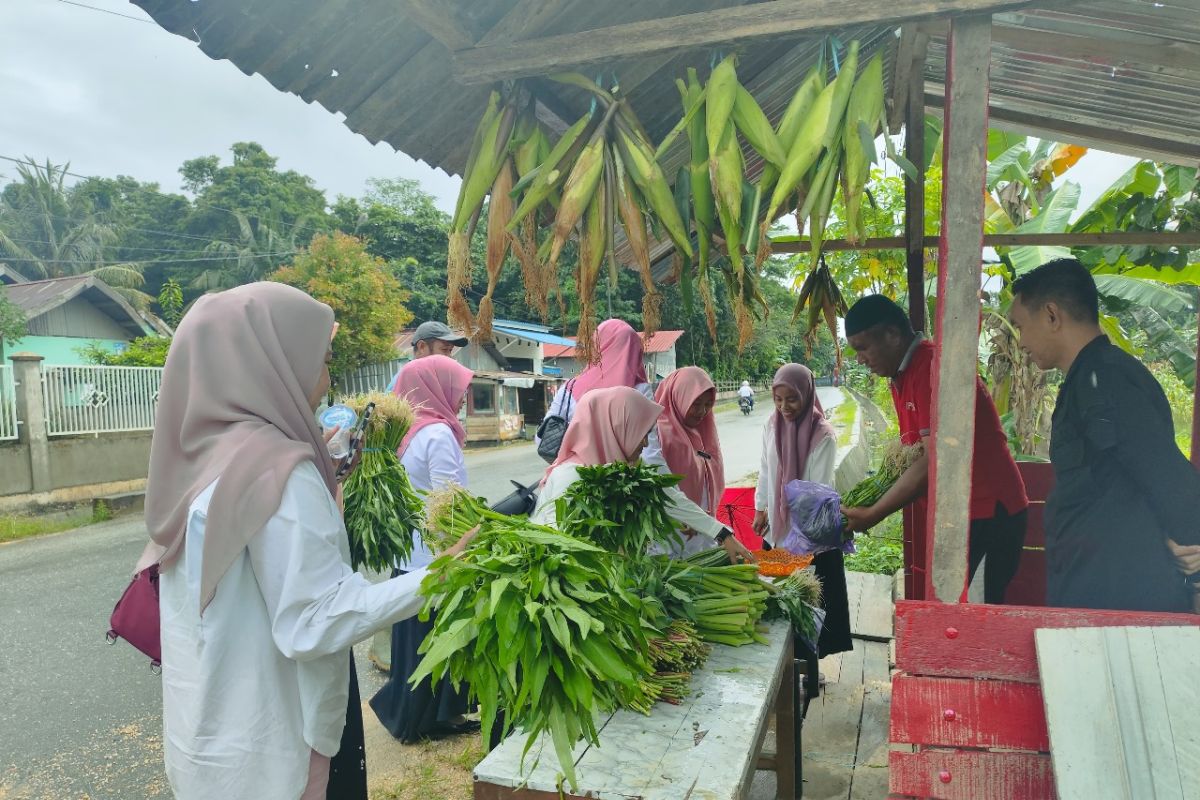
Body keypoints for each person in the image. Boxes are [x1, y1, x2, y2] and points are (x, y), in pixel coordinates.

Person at [142, 283, 474, 800]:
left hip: (207, 742)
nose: (324, 381)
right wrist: (444, 572)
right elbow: (316, 620)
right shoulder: (277, 470)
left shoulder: (200, 460)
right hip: (276, 753)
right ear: (274, 368)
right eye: (320, 361)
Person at [1009, 258, 1200, 611]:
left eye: (1020, 326)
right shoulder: (1087, 379)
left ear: (1052, 316)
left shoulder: (1108, 380)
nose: (1020, 341)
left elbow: (1166, 474)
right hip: (1093, 587)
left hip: (1124, 598)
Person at [841, 294, 1029, 605]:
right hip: (960, 515)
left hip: (988, 512)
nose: (860, 358)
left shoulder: (932, 368)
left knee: (975, 614)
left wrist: (873, 513)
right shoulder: (902, 375)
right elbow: (915, 457)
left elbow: (933, 462)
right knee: (955, 609)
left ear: (892, 334)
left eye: (862, 347)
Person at [370, 355, 479, 742]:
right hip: (437, 552)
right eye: (458, 387)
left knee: (412, 640)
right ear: (435, 387)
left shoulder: (401, 432)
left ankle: (408, 712)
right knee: (439, 638)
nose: (464, 396)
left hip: (408, 552)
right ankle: (433, 717)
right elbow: (449, 500)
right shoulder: (438, 434)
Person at [531, 385, 755, 565]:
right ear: (617, 429)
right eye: (640, 433)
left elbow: (671, 498)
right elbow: (559, 545)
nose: (646, 443)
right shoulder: (571, 476)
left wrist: (722, 534)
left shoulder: (627, 470)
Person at [752, 364, 850, 656]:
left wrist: (798, 545)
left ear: (806, 395)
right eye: (778, 399)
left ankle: (809, 669)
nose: (784, 407)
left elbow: (816, 494)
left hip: (809, 537)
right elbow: (766, 471)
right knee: (779, 601)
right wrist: (761, 508)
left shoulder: (823, 436)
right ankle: (785, 669)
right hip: (778, 533)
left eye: (792, 399)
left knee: (809, 603)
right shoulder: (771, 425)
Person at [536, 319, 659, 453]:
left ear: (596, 348)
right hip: (623, 471)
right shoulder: (640, 391)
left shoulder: (570, 387)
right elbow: (649, 449)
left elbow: (541, 438)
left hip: (576, 468)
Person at [643, 366, 726, 558]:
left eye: (708, 404)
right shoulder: (658, 434)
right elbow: (659, 486)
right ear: (679, 397)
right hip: (673, 527)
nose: (702, 411)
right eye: (695, 404)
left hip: (702, 526)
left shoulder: (704, 431)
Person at [384, 320, 468, 393]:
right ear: (422, 347)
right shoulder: (403, 384)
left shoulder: (429, 380)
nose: (449, 357)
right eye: (444, 349)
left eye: (450, 350)